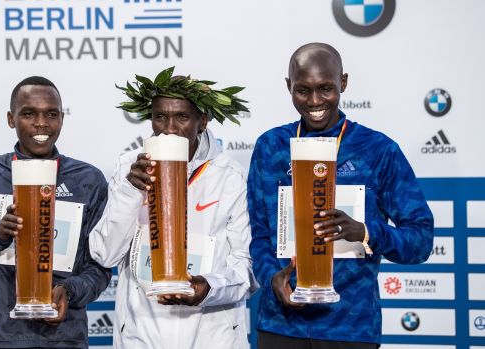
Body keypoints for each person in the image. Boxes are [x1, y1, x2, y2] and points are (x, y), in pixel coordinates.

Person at [247, 43, 434, 348]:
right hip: (280, 325)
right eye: (303, 90)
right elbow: (260, 236)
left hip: (351, 329)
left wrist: (365, 232)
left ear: (343, 83)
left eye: (326, 88)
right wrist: (271, 279)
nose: (315, 100)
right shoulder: (271, 147)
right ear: (288, 87)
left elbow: (421, 241)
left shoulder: (378, 150)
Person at [89, 67, 257, 349]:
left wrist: (208, 288)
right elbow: (105, 254)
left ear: (202, 121)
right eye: (160, 117)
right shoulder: (129, 167)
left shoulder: (230, 176)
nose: (169, 128)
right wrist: (131, 191)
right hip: (142, 335)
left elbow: (247, 266)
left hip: (212, 336)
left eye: (182, 117)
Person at [0, 76, 111, 349]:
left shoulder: (88, 180)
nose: (41, 123)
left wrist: (69, 291)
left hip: (65, 339)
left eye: (51, 114)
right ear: (11, 119)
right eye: (29, 114)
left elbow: (100, 269)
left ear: (62, 118)